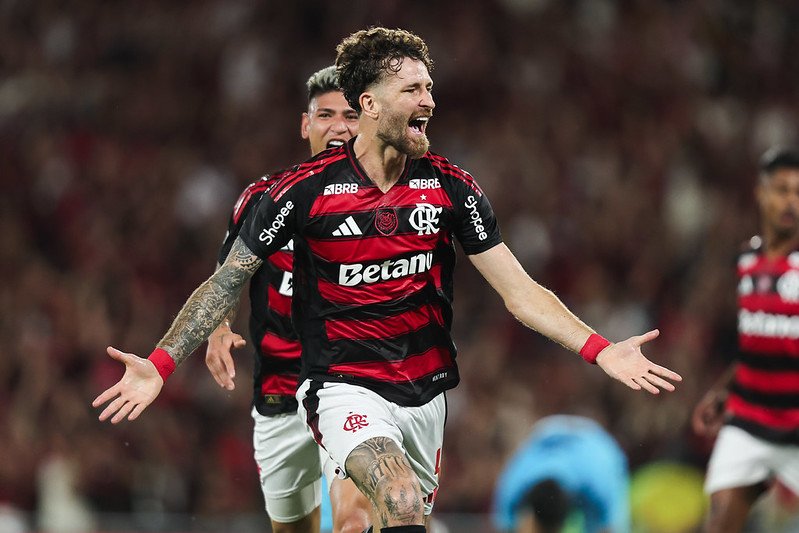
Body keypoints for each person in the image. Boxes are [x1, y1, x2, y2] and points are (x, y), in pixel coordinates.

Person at [93, 27, 682, 533]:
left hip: (424, 394)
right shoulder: (301, 192)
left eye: (429, 87)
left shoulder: (451, 187)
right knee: (388, 500)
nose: (429, 98)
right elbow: (226, 283)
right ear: (369, 105)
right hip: (340, 386)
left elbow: (520, 292)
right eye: (413, 88)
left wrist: (600, 350)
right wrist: (163, 362)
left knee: (404, 516)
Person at [204, 65, 370, 533]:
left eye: (352, 115)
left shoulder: (387, 205)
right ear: (306, 124)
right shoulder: (264, 199)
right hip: (278, 391)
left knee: (354, 522)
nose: (339, 125)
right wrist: (218, 328)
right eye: (326, 114)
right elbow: (228, 276)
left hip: (352, 385)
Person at [692, 147, 799, 533]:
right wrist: (722, 391)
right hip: (749, 421)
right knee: (719, 523)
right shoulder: (746, 260)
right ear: (761, 193)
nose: (791, 201)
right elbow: (755, 346)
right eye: (782, 189)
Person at [492, 415, 630, 533]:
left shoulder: (602, 478)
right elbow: (504, 526)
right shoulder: (514, 483)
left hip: (596, 443)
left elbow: (612, 526)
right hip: (544, 436)